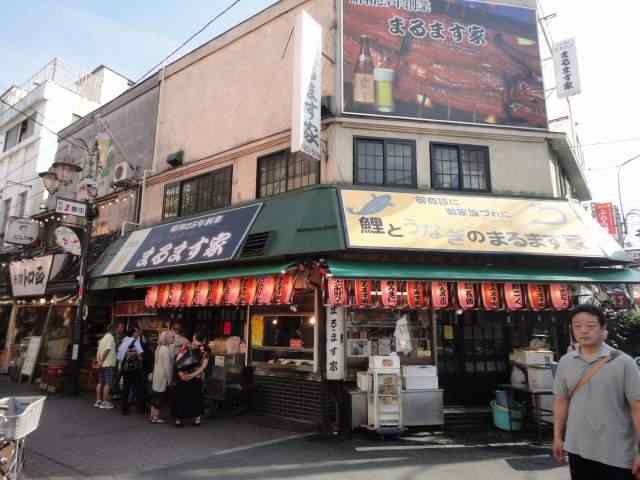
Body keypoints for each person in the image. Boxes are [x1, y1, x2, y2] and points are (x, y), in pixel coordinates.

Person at [553, 304, 640, 479]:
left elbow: (637, 407)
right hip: (578, 448)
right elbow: (561, 400)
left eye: (590, 326)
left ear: (603, 328)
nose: (583, 331)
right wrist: (557, 437)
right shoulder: (566, 362)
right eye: (577, 326)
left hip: (617, 452)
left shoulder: (624, 363)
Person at [173, 332, 209, 427]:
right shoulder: (205, 350)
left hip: (183, 376)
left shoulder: (186, 346)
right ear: (204, 339)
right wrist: (193, 375)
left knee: (181, 397)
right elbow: (203, 366)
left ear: (194, 338)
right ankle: (197, 419)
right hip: (196, 377)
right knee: (196, 397)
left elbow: (178, 361)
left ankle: (178, 420)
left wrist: (181, 373)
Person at [117, 326, 145, 415]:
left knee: (126, 388)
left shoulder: (124, 340)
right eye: (136, 332)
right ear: (133, 333)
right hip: (134, 369)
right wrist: (136, 354)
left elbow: (119, 356)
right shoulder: (135, 341)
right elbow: (140, 356)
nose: (138, 333)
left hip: (125, 368)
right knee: (138, 388)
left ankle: (124, 408)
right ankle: (140, 408)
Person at [150, 331, 175, 424]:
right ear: (167, 338)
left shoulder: (158, 348)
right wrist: (169, 379)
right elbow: (167, 367)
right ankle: (156, 417)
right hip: (162, 376)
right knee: (159, 397)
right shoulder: (165, 350)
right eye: (172, 337)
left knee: (155, 396)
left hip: (157, 374)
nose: (173, 339)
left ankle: (152, 416)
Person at [94, 324, 118, 409]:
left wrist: (99, 362)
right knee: (108, 383)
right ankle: (105, 402)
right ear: (112, 330)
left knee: (100, 382)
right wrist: (102, 361)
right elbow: (107, 349)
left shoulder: (102, 339)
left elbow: (98, 352)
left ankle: (98, 401)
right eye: (115, 330)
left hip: (101, 364)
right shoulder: (110, 337)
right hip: (108, 364)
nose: (116, 331)